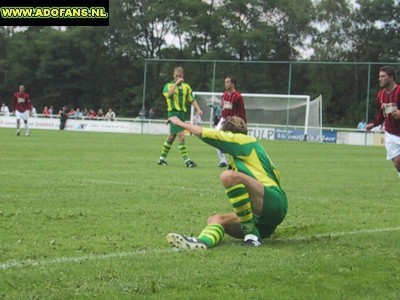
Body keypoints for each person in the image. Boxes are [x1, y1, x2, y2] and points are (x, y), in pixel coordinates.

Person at [166, 116, 288, 249]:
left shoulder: (245, 141)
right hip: (262, 218)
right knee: (215, 220)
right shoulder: (240, 155)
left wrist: (180, 123)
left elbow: (206, 133)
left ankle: (252, 235)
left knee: (228, 177)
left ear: (228, 134)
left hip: (273, 202)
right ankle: (202, 242)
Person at [157, 66, 203, 168]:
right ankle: (187, 161)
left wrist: (198, 109)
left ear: (183, 76)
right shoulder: (168, 85)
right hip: (173, 114)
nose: (178, 77)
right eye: (176, 75)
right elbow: (169, 95)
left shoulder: (187, 87)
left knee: (171, 137)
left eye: (180, 76)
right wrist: (176, 84)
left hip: (182, 114)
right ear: (173, 75)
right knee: (181, 136)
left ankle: (161, 159)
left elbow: (191, 99)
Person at [366, 66, 400, 178]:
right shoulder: (380, 95)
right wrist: (373, 124)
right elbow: (381, 113)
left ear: (391, 78)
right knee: (397, 163)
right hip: (390, 133)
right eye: (379, 76)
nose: (379, 79)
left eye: (383, 76)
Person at [215, 75, 247, 168]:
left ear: (233, 84)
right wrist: (221, 105)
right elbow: (223, 107)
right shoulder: (225, 94)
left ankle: (236, 160)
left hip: (233, 122)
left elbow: (241, 111)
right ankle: (223, 160)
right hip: (224, 119)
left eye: (227, 82)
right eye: (225, 82)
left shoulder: (238, 97)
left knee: (234, 141)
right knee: (216, 137)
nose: (225, 84)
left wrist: (243, 124)